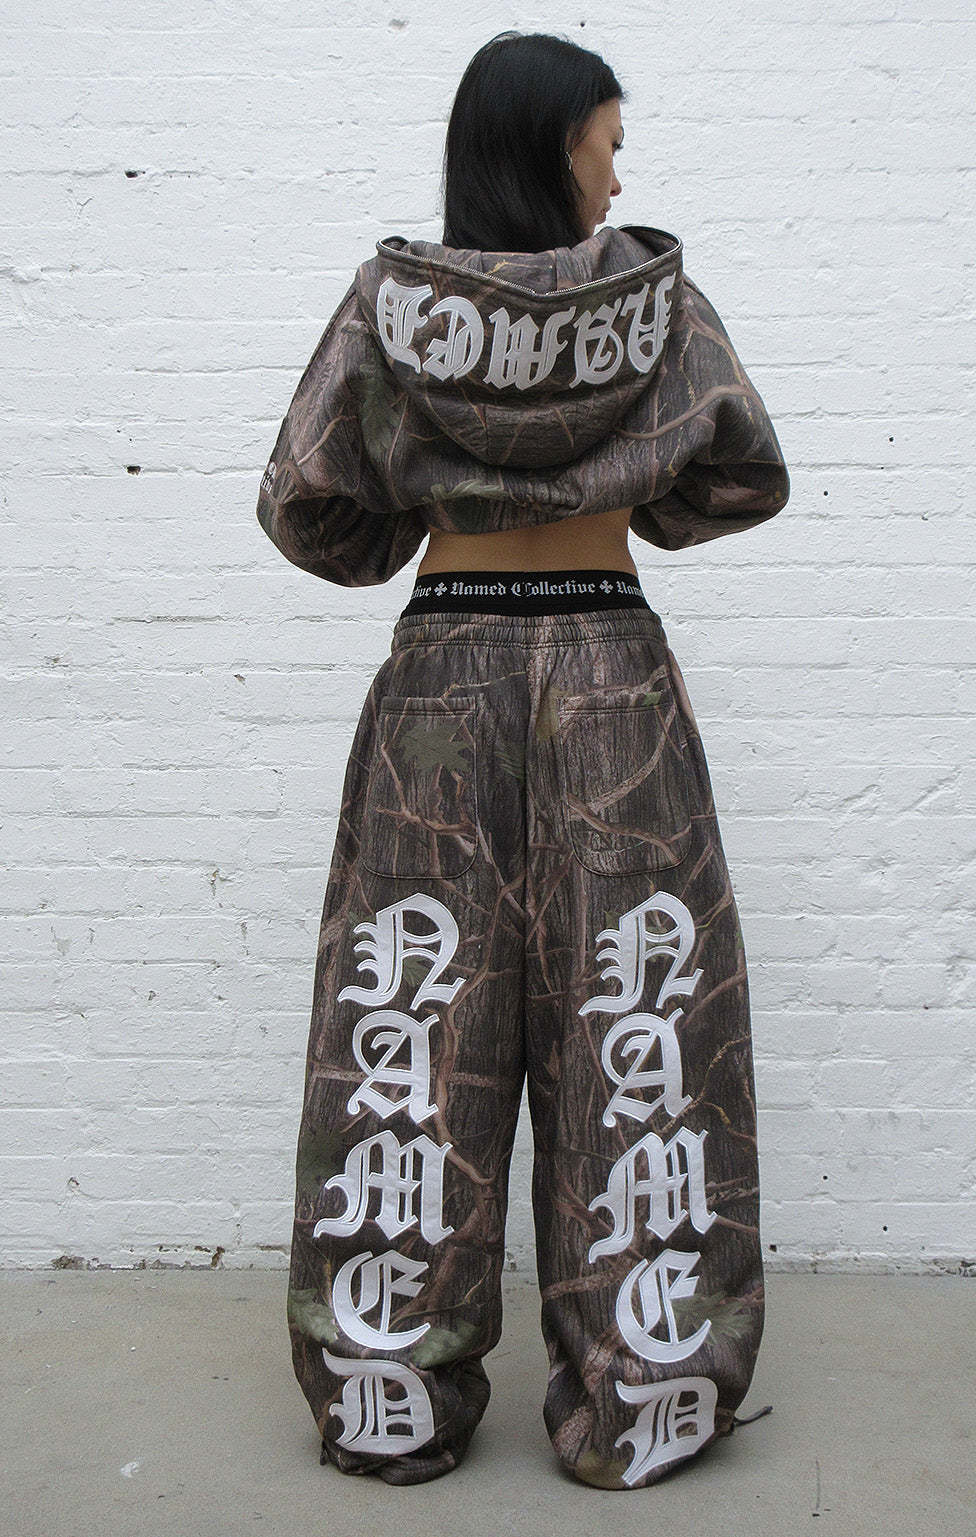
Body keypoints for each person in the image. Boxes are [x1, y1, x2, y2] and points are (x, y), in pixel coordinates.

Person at [256, 29, 790, 1491]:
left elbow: (309, 507)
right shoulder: (658, 304)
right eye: (608, 147)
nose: (618, 181)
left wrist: (424, 503)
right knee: (640, 1026)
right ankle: (643, 1396)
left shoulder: (391, 307)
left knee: (411, 1027)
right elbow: (740, 471)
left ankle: (390, 1391)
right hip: (611, 675)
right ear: (556, 148)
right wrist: (630, 489)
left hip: (446, 682)